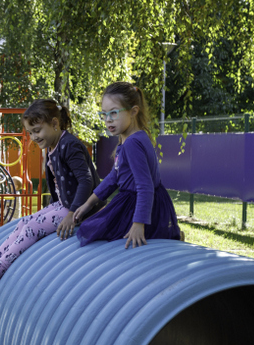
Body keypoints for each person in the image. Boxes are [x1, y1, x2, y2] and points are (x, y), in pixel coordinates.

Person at [0, 99, 100, 293]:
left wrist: (72, 214)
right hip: (66, 204)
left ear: (55, 123)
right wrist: (51, 208)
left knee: (32, 227)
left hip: (82, 208)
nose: (34, 137)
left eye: (37, 131)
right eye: (30, 132)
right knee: (24, 222)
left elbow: (86, 181)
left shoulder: (70, 145)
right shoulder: (53, 146)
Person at [74, 82, 181, 248]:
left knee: (90, 229)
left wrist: (138, 223)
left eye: (114, 113)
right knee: (93, 226)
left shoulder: (132, 143)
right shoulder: (130, 138)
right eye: (104, 114)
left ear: (133, 111)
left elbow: (145, 186)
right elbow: (114, 177)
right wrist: (89, 203)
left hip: (136, 205)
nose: (108, 119)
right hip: (144, 202)